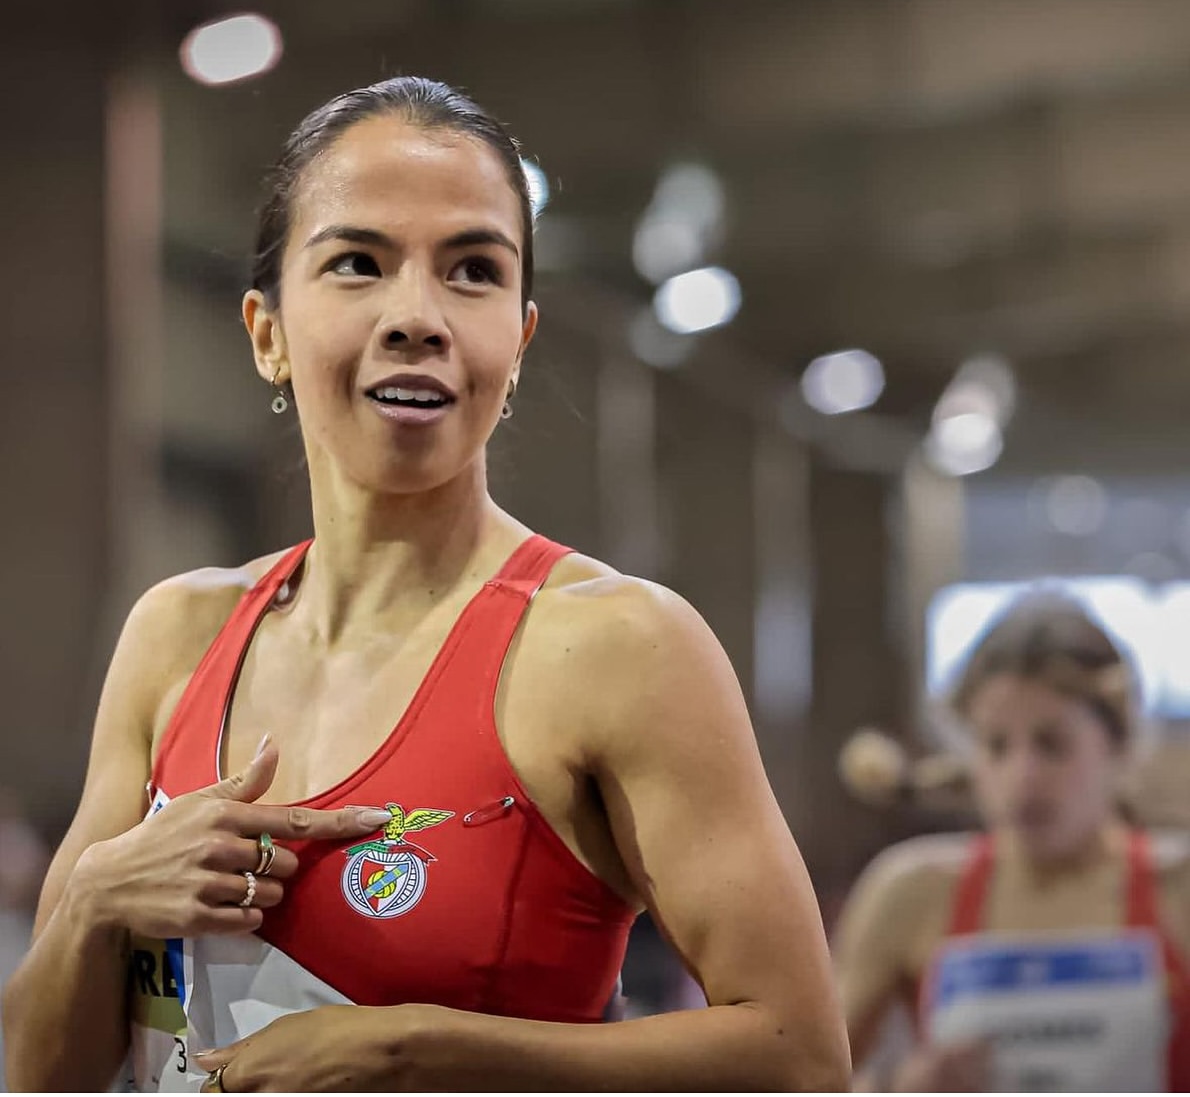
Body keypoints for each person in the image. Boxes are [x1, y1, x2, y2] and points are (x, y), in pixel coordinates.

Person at [1, 76, 850, 1093]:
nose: (418, 316)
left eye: (472, 271)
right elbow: (42, 1072)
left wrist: (420, 1047)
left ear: (517, 342)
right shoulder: (175, 634)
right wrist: (100, 891)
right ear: (265, 330)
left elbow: (799, 1057)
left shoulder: (616, 647)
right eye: (357, 263)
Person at [833, 592, 1190, 1092]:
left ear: (1119, 746)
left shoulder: (1180, 892)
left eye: (1053, 743)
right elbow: (805, 1081)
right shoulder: (911, 893)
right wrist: (898, 1087)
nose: (1022, 779)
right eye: (996, 746)